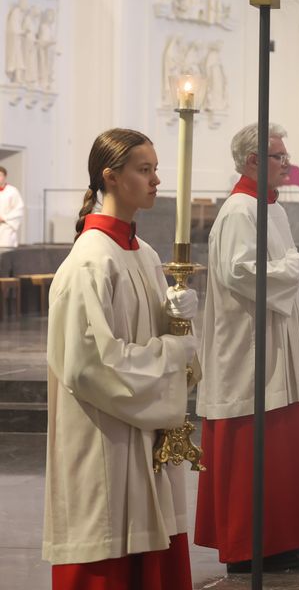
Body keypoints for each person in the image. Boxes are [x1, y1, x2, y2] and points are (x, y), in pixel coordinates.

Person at [43, 128, 198, 588]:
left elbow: (167, 344)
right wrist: (173, 350)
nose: (155, 181)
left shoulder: (144, 254)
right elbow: (89, 366)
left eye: (156, 170)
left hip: (143, 430)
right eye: (144, 170)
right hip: (105, 436)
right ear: (110, 177)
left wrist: (181, 318)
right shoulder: (90, 261)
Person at [194, 123, 299, 573]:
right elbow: (242, 272)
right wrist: (297, 267)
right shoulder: (240, 211)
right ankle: (249, 544)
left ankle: (279, 539)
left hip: (277, 346)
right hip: (251, 349)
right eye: (278, 155)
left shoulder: (270, 208)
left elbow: (280, 267)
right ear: (254, 161)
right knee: (255, 445)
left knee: (280, 446)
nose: (287, 162)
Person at [0, 166, 24, 247]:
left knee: (5, 251)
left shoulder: (12, 191)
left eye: (0, 175)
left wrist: (4, 218)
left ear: (5, 176)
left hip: (6, 227)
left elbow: (19, 209)